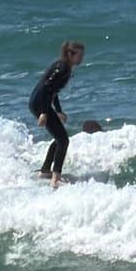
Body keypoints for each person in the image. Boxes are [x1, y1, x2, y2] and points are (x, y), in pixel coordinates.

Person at [29, 40, 85, 187]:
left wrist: (59, 111)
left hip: (39, 102)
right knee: (63, 140)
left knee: (59, 137)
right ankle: (56, 178)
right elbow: (46, 88)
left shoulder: (64, 66)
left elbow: (53, 91)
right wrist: (44, 112)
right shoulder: (62, 68)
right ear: (70, 54)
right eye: (79, 55)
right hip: (40, 103)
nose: (81, 58)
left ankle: (46, 170)